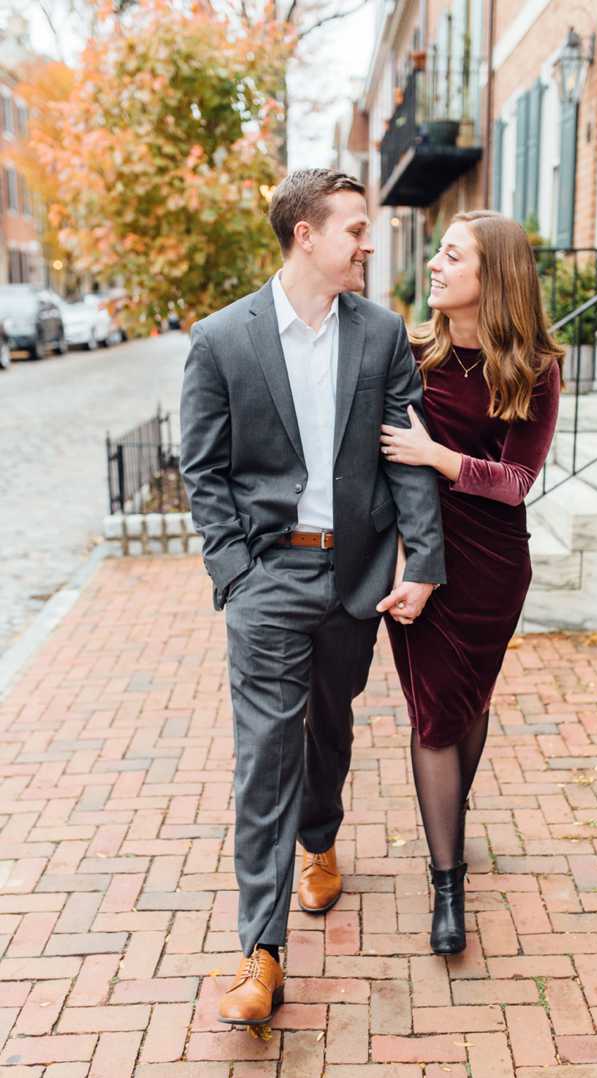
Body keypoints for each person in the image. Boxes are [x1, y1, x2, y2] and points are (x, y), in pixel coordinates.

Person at [179, 168, 446, 1027]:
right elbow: (206, 471)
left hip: (355, 576)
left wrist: (421, 563)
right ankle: (260, 951)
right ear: (306, 235)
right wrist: (235, 575)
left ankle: (321, 836)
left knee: (329, 729)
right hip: (267, 577)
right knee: (265, 756)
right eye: (355, 229)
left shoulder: (381, 333)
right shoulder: (223, 341)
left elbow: (407, 453)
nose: (368, 244)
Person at [377, 210, 563, 954]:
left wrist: (438, 456)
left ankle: (448, 824)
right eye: (440, 253)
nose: (436, 265)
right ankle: (446, 882)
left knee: (468, 700)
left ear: (494, 276)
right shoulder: (410, 353)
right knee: (433, 716)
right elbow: (379, 465)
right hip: (419, 560)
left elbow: (517, 481)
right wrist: (402, 550)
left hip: (492, 566)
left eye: (453, 256)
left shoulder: (534, 367)